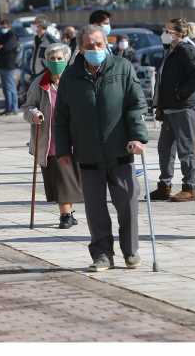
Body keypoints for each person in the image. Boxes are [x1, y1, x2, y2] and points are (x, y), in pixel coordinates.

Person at [55, 25, 149, 271]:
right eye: (89, 46)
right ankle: (102, 255)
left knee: (128, 204)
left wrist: (138, 137)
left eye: (98, 44)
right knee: (95, 211)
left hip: (121, 151)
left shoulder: (122, 68)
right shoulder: (70, 76)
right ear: (81, 48)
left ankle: (130, 251)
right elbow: (61, 117)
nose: (95, 49)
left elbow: (136, 104)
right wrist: (63, 151)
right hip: (88, 154)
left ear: (106, 43)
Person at [24, 43, 84, 229]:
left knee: (72, 180)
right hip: (51, 141)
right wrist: (34, 114)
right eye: (52, 59)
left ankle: (69, 213)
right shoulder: (40, 83)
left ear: (67, 60)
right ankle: (65, 215)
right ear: (47, 61)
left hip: (76, 139)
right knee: (62, 179)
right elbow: (27, 107)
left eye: (59, 59)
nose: (56, 62)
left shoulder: (76, 80)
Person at [151, 19, 195, 203]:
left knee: (186, 148)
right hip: (170, 108)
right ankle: (164, 185)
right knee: (164, 148)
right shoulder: (171, 50)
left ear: (179, 33)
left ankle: (189, 187)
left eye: (168, 30)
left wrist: (180, 94)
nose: (164, 34)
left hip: (184, 107)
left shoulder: (187, 50)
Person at [0, 19, 19, 115]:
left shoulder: (12, 35)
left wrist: (0, 47)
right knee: (5, 88)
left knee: (10, 87)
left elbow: (7, 47)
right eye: (2, 26)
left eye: (5, 26)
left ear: (9, 26)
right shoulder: (1, 35)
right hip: (1, 64)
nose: (3, 28)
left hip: (9, 65)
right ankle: (8, 107)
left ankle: (13, 108)